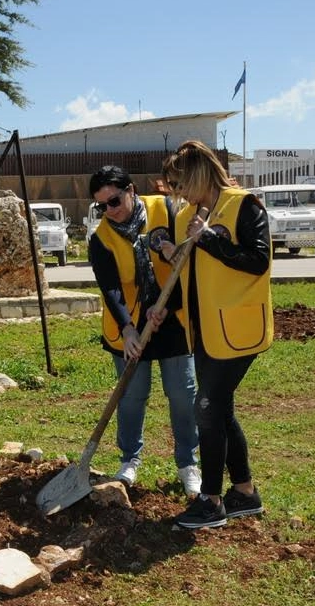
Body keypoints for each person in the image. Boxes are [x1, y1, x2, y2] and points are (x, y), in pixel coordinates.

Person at [155, 140, 272, 529]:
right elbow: (191, 273)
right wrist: (171, 252)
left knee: (206, 407)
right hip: (203, 330)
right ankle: (244, 492)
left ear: (200, 173)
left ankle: (210, 500)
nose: (177, 191)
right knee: (219, 407)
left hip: (239, 329)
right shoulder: (189, 213)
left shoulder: (244, 205)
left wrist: (208, 237)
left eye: (180, 182)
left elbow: (258, 262)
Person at [87, 166, 201, 496]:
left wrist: (170, 303)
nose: (110, 210)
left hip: (173, 319)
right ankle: (129, 462)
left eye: (114, 200)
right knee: (132, 396)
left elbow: (187, 261)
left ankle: (187, 463)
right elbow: (110, 288)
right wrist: (128, 329)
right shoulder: (101, 239)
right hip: (130, 327)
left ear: (131, 190)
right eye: (102, 206)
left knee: (182, 393)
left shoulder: (166, 210)